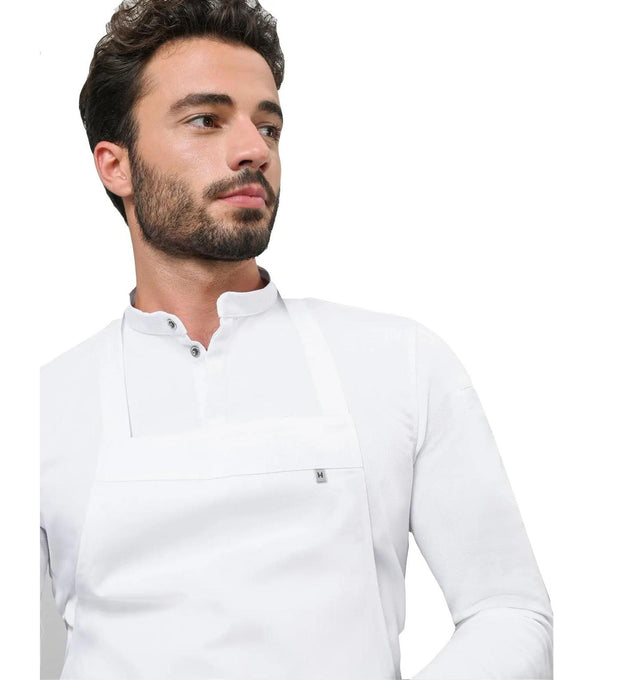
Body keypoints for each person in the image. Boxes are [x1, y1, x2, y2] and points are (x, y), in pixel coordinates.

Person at [40, 1, 553, 678]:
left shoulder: (398, 363)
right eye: (206, 119)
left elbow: (508, 611)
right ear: (116, 166)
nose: (254, 150)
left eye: (268, 126)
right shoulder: (41, 409)